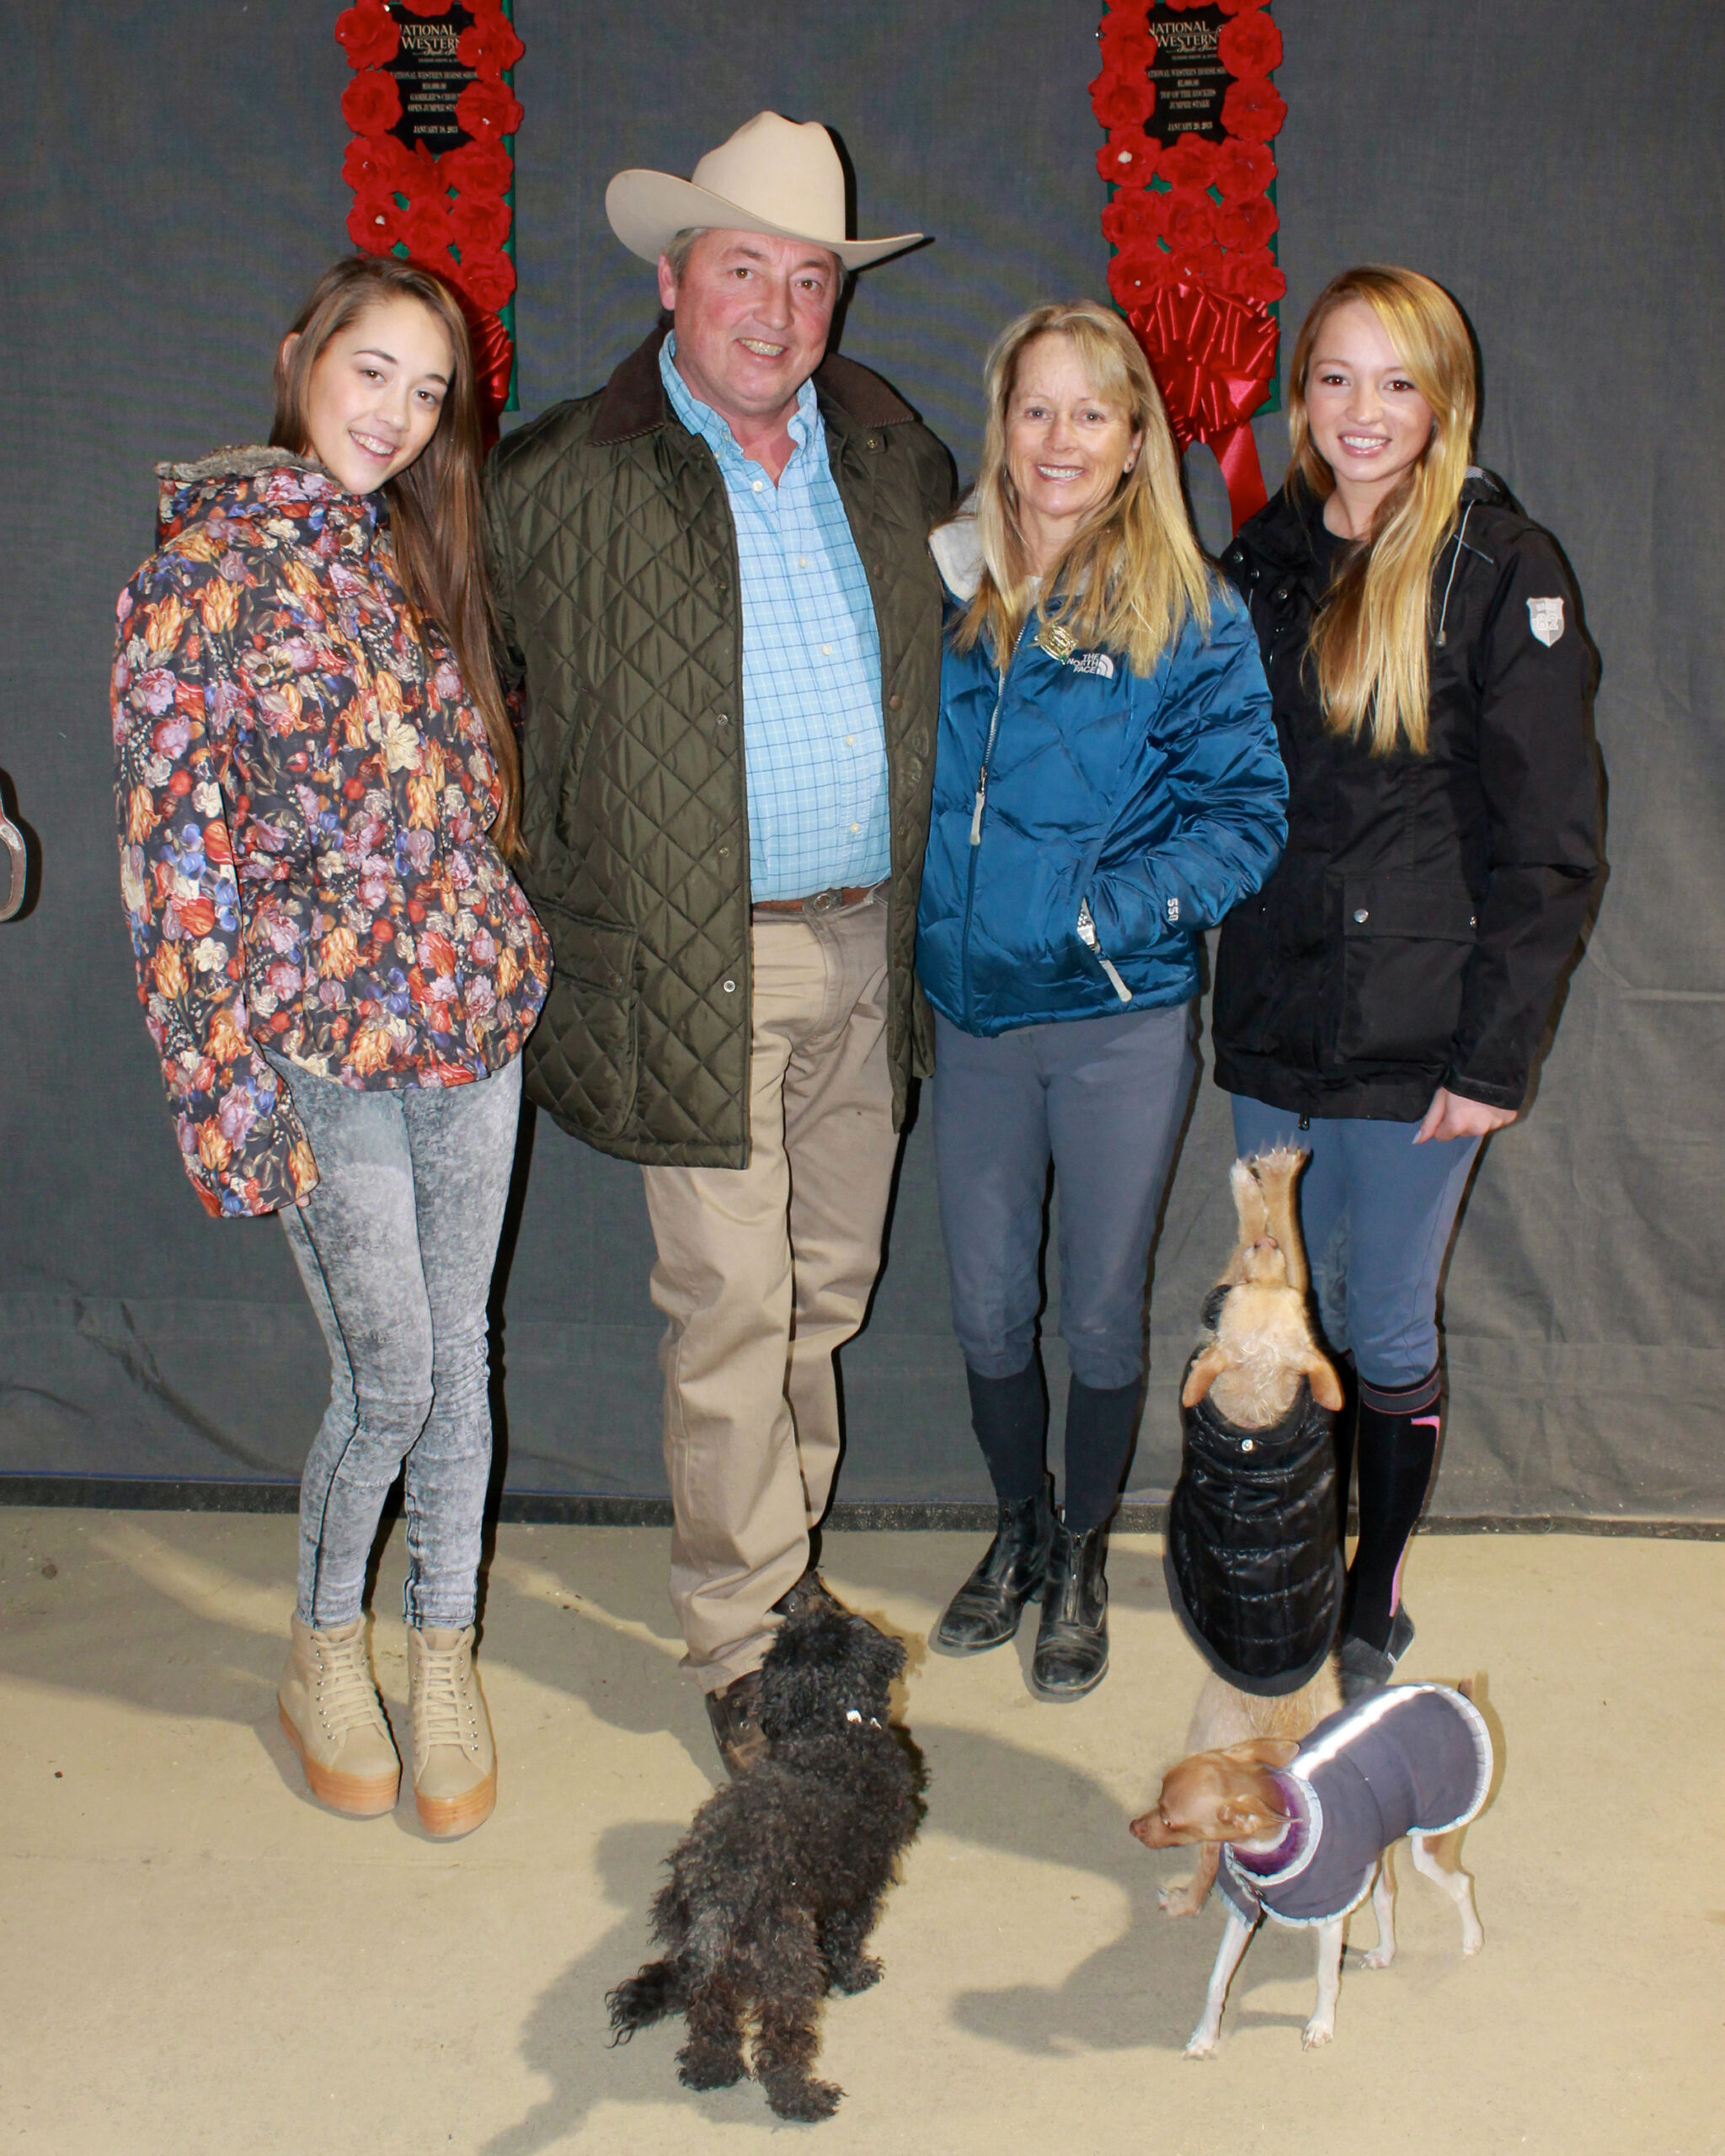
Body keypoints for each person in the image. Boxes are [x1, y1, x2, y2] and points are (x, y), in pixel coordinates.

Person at [484, 113, 956, 1774]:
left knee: (824, 1291)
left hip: (868, 949)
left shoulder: (896, 460)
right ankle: (748, 1638)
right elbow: (470, 701)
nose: (778, 307)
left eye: (811, 277)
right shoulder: (554, 478)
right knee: (731, 1307)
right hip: (693, 961)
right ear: (672, 280)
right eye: (744, 269)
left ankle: (782, 1580)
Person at [111, 255, 551, 1834]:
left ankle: (443, 1648)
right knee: (394, 1376)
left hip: (469, 1020)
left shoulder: (404, 553)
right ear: (300, 356)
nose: (399, 415)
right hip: (317, 1046)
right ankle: (324, 1646)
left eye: (429, 392)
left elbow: (453, 792)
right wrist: (221, 1095)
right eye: (375, 372)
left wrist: (491, 916)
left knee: (465, 1359)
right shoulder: (196, 583)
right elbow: (176, 869)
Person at [1213, 265, 1602, 1694]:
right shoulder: (1260, 558)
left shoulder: (1503, 568)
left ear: (1446, 399)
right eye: (1334, 378)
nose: (1362, 411)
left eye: (1396, 381)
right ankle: (1290, 1559)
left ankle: (1372, 1593)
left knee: (1380, 1323)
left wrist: (1493, 1059)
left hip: (1419, 1037)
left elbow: (1553, 843)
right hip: (1274, 1015)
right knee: (1274, 1317)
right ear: (1300, 395)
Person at [916, 301, 1288, 1698]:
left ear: (1137, 441)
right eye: (1036, 408)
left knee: (1099, 1313)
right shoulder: (948, 588)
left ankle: (1079, 1548)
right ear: (1002, 426)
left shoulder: (1192, 612)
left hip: (1115, 1022)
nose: (1060, 438)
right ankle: (1018, 1527)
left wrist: (1098, 913)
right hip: (974, 1019)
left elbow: (1247, 816)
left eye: (1092, 411)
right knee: (983, 1307)